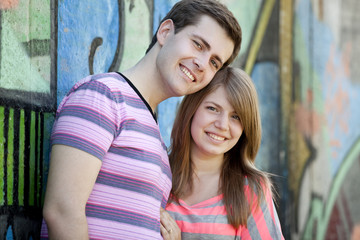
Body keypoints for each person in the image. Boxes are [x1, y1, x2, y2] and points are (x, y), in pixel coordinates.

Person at [40, 0, 242, 239]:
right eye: (198, 44)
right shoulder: (103, 97)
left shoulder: (153, 131)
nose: (201, 63)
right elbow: (62, 212)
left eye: (214, 62)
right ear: (166, 32)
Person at [161, 67, 284, 239]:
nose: (222, 124)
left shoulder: (250, 190)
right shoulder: (156, 174)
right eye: (212, 108)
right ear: (192, 109)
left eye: (236, 117)